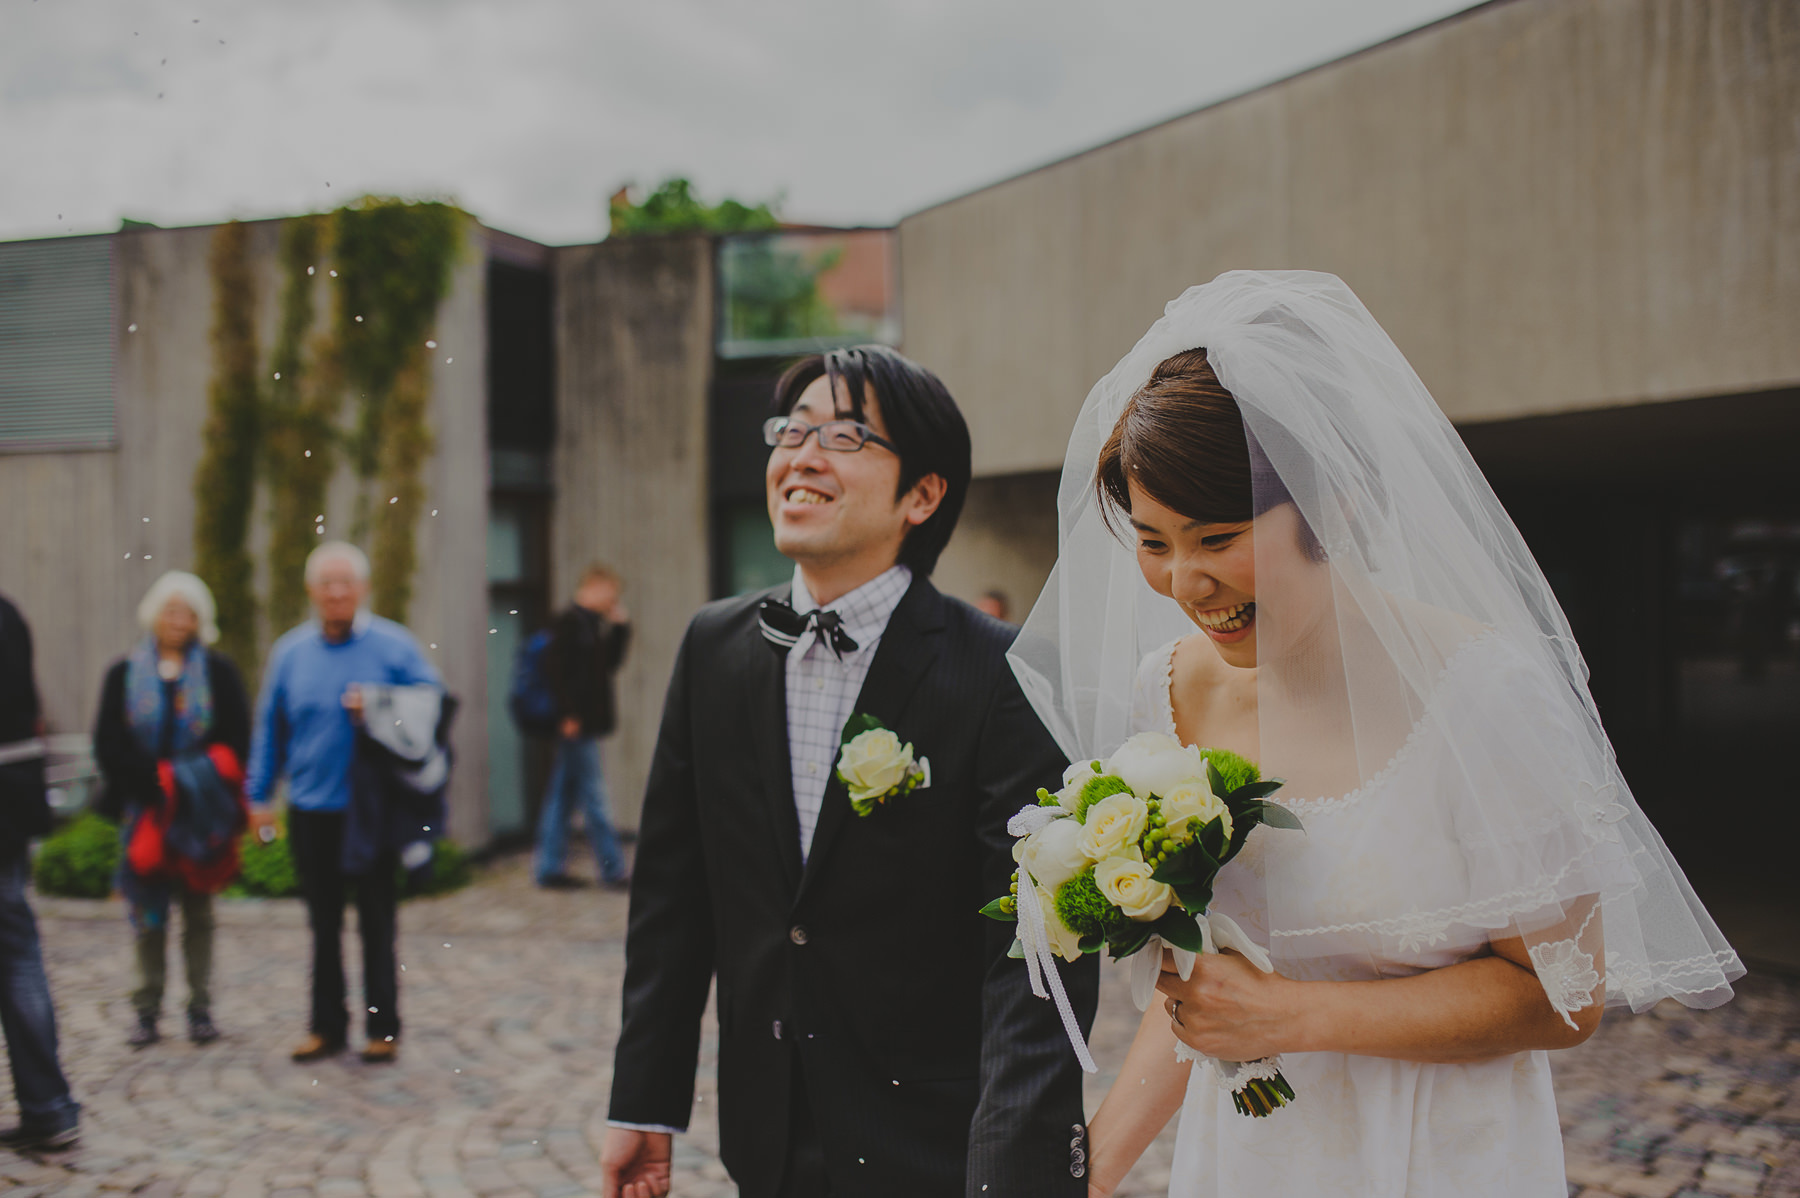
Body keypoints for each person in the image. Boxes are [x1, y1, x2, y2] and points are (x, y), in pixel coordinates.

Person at [1009, 271, 1744, 1197]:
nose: (1184, 583)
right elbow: (1205, 993)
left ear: (1335, 506)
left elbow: (1563, 999)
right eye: (1154, 544)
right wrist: (1095, 1167)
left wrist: (1294, 1017)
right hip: (1248, 1155)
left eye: (1216, 536)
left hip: (1439, 1154)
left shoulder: (1483, 696)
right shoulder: (1166, 694)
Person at [601, 346, 1099, 1198]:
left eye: (844, 435)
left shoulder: (1005, 674)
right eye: (790, 431)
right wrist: (644, 1104)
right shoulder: (713, 646)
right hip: (766, 1132)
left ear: (923, 493)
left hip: (939, 1145)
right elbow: (673, 902)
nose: (801, 454)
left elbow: (1035, 958)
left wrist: (1010, 1170)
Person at [246, 542, 440, 1065]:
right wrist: (259, 797)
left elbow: (433, 706)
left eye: (345, 582)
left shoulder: (394, 647)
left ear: (363, 589)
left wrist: (380, 706)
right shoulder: (290, 653)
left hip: (369, 813)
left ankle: (384, 1029)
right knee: (322, 924)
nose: (336, 592)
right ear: (312, 591)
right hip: (311, 810)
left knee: (377, 921)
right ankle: (326, 1027)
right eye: (326, 583)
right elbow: (271, 727)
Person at [94, 572, 250, 1048]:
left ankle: (199, 1007)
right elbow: (108, 741)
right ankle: (146, 1008)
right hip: (147, 812)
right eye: (170, 611)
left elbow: (237, 735)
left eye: (187, 613)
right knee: (147, 914)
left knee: (199, 912)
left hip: (199, 811)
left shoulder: (218, 673)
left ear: (201, 621)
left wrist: (188, 778)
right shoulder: (124, 673)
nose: (178, 621)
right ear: (154, 615)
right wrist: (152, 782)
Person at [0, 593, 80, 1150]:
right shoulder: (8, 615)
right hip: (12, 798)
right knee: (17, 952)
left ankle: (48, 1107)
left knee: (17, 952)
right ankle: (48, 1107)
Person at [534, 563, 631, 890]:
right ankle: (612, 869)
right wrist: (568, 714)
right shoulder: (568, 622)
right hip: (576, 725)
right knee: (594, 797)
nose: (612, 601)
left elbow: (610, 665)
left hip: (585, 723)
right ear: (595, 586)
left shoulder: (591, 625)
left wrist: (620, 628)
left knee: (561, 797)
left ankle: (548, 867)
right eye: (610, 594)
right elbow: (554, 671)